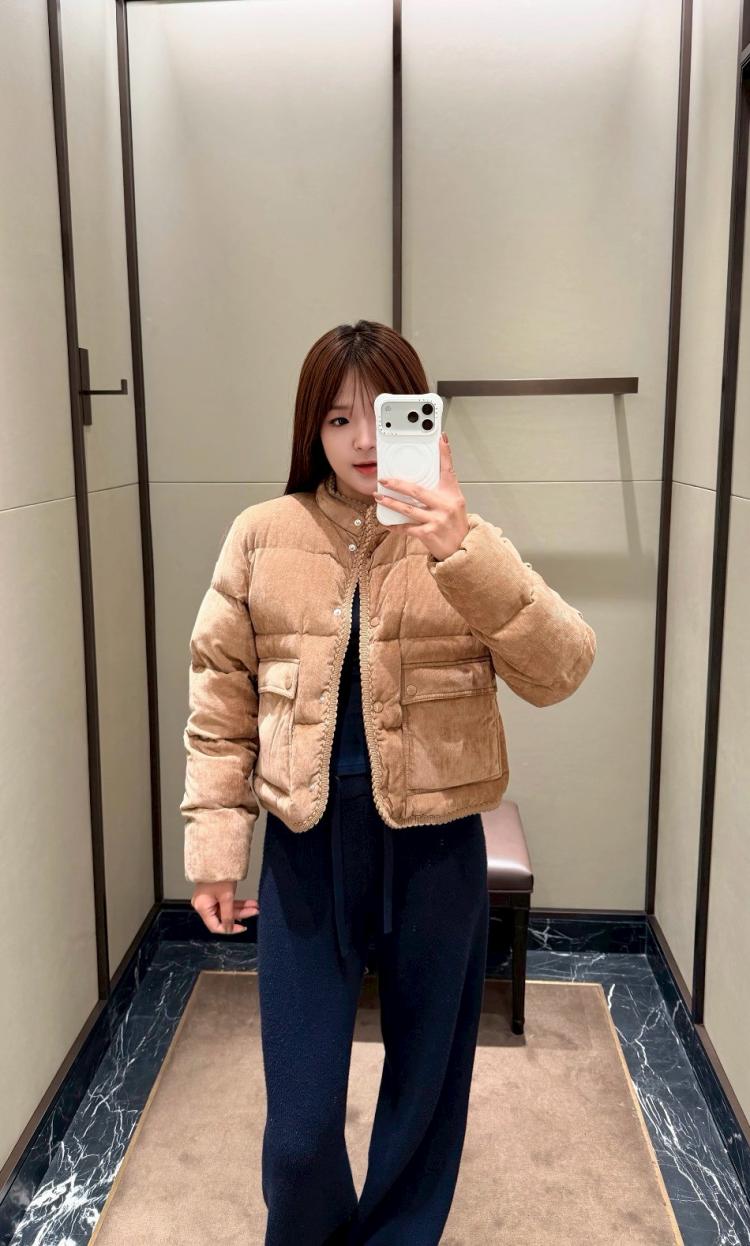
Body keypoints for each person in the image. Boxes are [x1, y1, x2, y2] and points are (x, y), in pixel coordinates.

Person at [180, 319, 597, 1245]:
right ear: (312, 429)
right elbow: (220, 703)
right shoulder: (260, 536)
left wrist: (462, 550)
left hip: (437, 855)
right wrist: (215, 849)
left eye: (384, 415)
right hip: (305, 853)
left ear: (425, 417)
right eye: (338, 419)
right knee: (298, 1135)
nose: (364, 440)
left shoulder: (465, 541)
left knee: (425, 1094)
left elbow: (562, 668)